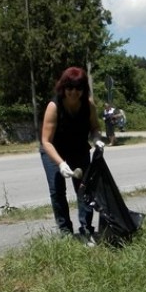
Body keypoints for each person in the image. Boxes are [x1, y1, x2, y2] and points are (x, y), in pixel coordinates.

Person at [40, 67, 103, 245]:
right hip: (54, 151)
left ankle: (86, 230)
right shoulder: (54, 106)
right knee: (57, 190)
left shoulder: (88, 105)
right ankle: (65, 231)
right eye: (70, 88)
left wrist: (97, 139)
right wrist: (60, 163)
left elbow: (94, 128)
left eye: (78, 88)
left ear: (84, 89)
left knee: (85, 189)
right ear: (63, 88)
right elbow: (46, 141)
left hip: (78, 150)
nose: (74, 92)